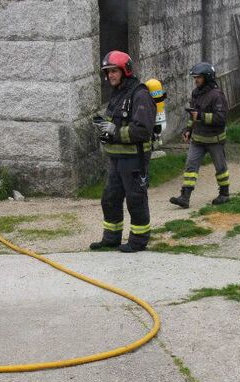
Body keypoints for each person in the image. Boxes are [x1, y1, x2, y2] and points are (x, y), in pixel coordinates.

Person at [89, 50, 156, 253]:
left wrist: (115, 132)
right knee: (110, 198)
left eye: (114, 71)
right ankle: (111, 238)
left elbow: (143, 130)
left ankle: (138, 241)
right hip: (117, 159)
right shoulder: (118, 94)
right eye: (107, 72)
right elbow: (115, 124)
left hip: (134, 159)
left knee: (135, 199)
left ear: (125, 71)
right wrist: (105, 131)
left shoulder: (140, 94)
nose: (110, 75)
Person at [169, 62, 230, 209]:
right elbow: (193, 115)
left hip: (214, 140)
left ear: (208, 78)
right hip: (198, 139)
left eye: (199, 77)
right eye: (195, 77)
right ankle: (185, 197)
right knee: (190, 167)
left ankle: (224, 194)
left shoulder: (217, 96)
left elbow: (221, 118)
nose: (196, 80)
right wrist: (188, 130)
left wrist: (201, 116)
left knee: (220, 168)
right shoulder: (196, 93)